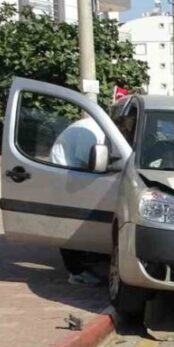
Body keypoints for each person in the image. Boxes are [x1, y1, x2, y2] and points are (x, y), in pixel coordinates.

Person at [50, 115, 107, 285]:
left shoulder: (94, 127)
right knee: (71, 226)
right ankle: (76, 271)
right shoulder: (90, 129)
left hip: (72, 178)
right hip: (69, 180)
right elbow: (87, 160)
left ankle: (83, 263)